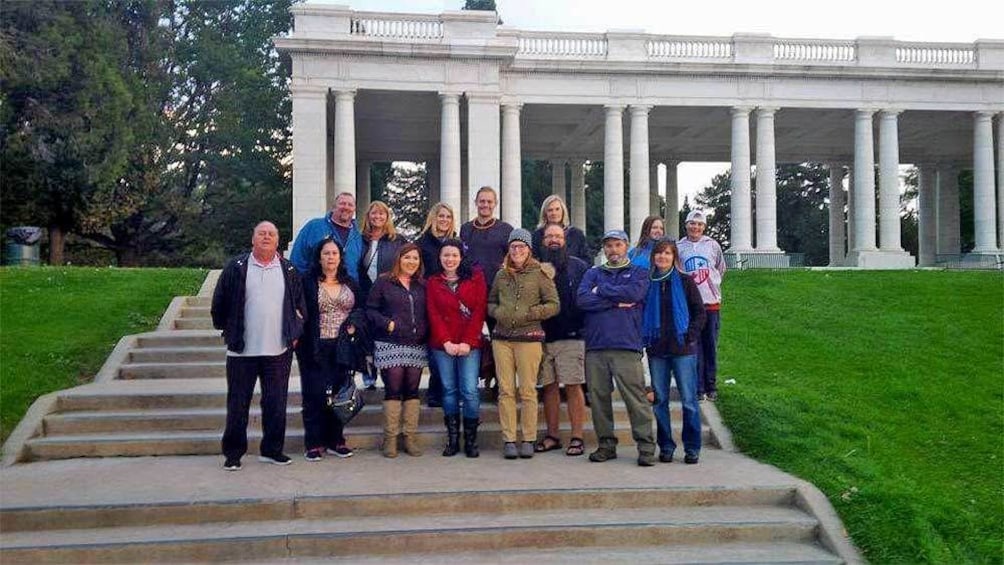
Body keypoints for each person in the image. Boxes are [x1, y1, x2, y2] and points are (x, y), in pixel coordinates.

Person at [211, 221, 306, 471]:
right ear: (252, 239)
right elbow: (219, 303)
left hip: (278, 351)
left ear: (277, 240)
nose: (266, 237)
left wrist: (294, 332)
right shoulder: (237, 267)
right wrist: (228, 328)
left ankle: (272, 450)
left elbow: (300, 306)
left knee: (276, 403)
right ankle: (233, 454)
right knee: (238, 403)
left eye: (271, 234)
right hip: (242, 350)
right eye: (261, 233)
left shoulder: (289, 269)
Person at [576, 229, 656, 467]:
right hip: (596, 346)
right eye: (609, 246)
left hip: (626, 345)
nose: (613, 250)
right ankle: (606, 445)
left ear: (626, 247)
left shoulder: (639, 272)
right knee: (599, 399)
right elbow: (582, 299)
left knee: (635, 399)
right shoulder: (593, 273)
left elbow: (635, 293)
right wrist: (615, 300)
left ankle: (646, 447)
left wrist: (601, 292)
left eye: (618, 245)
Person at [488, 228, 560, 460]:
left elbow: (553, 304)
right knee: (506, 390)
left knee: (528, 391)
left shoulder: (541, 273)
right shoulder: (501, 275)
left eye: (521, 246)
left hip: (529, 339)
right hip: (502, 340)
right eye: (513, 247)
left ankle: (528, 437)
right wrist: (498, 312)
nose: (517, 250)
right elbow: (490, 302)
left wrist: (532, 313)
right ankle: (509, 438)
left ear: (529, 249)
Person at [296, 238, 363, 462]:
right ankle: (313, 443)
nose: (331, 257)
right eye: (326, 253)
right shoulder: (307, 282)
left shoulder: (350, 283)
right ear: (319, 257)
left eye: (334, 253)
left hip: (343, 346)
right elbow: (299, 310)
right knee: (314, 394)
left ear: (340, 257)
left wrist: (353, 323)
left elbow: (360, 309)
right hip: (314, 345)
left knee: (339, 394)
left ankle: (336, 440)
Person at [642, 238, 706, 464]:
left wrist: (690, 336)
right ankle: (666, 446)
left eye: (667, 254)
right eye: (659, 254)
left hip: (683, 350)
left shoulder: (686, 282)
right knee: (660, 401)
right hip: (657, 349)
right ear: (654, 257)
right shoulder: (648, 282)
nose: (662, 257)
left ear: (674, 257)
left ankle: (692, 447)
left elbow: (700, 312)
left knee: (689, 400)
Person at [365, 243, 428, 458]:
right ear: (398, 259)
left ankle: (410, 437)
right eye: (407, 257)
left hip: (416, 344)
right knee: (393, 389)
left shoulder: (422, 285)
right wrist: (387, 324)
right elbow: (370, 310)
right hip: (390, 343)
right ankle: (390, 438)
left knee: (412, 390)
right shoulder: (384, 282)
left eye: (415, 258)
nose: (411, 262)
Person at [426, 239, 488, 458]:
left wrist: (468, 342)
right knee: (450, 390)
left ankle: (471, 440)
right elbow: (433, 313)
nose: (449, 259)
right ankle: (452, 439)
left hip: (469, 343)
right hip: (443, 345)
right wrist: (446, 342)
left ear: (461, 257)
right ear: (439, 258)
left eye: (454, 255)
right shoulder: (433, 282)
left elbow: (479, 310)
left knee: (469, 390)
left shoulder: (475, 278)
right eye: (446, 255)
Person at [535, 223, 590, 457]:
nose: (554, 240)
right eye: (549, 236)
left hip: (571, 336)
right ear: (543, 240)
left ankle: (577, 437)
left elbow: (587, 298)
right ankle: (553, 435)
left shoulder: (579, 267)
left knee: (573, 386)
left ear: (565, 239)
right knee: (548, 387)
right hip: (542, 337)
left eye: (558, 236)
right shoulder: (534, 266)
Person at [676, 210, 727, 402]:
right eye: (692, 224)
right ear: (686, 225)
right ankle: (697, 388)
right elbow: (679, 270)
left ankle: (710, 385)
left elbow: (720, 268)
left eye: (699, 224)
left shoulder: (713, 245)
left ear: (704, 227)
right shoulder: (679, 246)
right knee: (693, 345)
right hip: (691, 305)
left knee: (710, 346)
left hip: (711, 304)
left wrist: (711, 287)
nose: (695, 227)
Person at [359, 200, 408, 390]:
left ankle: (390, 377)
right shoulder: (360, 239)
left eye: (382, 213)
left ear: (387, 217)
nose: (377, 216)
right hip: (364, 293)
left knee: (386, 334)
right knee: (366, 335)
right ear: (368, 216)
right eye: (374, 213)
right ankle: (368, 377)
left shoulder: (397, 240)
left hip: (388, 295)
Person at [415, 202, 456, 407]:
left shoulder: (457, 242)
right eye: (441, 216)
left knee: (449, 345)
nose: (444, 220)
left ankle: (449, 389)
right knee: (435, 348)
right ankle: (435, 390)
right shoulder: (422, 243)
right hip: (430, 300)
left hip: (453, 302)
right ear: (433, 217)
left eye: (448, 217)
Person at [290, 192, 364, 283]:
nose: (346, 207)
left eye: (350, 205)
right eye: (342, 203)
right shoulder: (314, 227)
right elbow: (298, 259)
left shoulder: (358, 236)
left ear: (354, 209)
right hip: (316, 290)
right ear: (333, 207)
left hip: (348, 292)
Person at [459, 186, 513, 291]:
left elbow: (513, 256)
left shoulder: (506, 229)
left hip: (496, 286)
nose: (485, 205)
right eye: (482, 201)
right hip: (470, 286)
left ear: (495, 204)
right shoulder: (465, 229)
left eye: (489, 202)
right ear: (476, 203)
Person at [531, 195, 591, 263]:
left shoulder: (576, 234)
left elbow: (586, 261)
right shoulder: (537, 235)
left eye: (557, 209)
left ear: (563, 211)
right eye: (550, 210)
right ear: (545, 213)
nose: (554, 213)